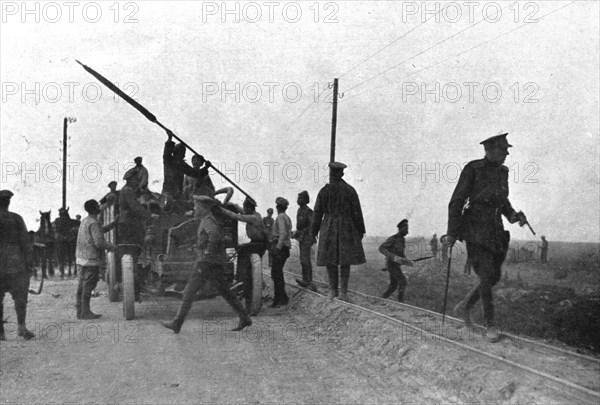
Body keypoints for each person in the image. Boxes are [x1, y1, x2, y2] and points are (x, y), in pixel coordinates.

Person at [446, 133, 528, 342]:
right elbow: (457, 201)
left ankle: (465, 305)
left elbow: (502, 201)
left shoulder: (503, 172)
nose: (507, 154)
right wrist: (452, 233)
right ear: (489, 151)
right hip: (474, 229)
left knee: (493, 277)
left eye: (507, 151)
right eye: (503, 151)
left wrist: (513, 216)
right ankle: (489, 324)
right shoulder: (473, 168)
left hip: (496, 231)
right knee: (486, 274)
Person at [162, 195, 252, 333]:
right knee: (225, 292)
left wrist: (208, 252)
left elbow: (214, 235)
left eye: (196, 206)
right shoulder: (207, 220)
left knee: (189, 292)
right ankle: (244, 317)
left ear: (204, 208)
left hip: (205, 263)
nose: (194, 208)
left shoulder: (208, 221)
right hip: (212, 263)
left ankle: (177, 323)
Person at [310, 162, 366, 302]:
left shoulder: (325, 191)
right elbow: (357, 213)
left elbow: (317, 213)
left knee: (331, 260)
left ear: (333, 173)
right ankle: (343, 292)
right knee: (344, 260)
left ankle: (332, 290)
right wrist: (360, 231)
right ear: (342, 173)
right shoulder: (349, 190)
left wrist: (313, 232)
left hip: (329, 226)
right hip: (347, 227)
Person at [0, 190, 35, 340]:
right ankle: (21, 327)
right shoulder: (16, 219)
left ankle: (1, 333)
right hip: (16, 265)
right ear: (8, 202)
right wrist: (29, 264)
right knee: (20, 298)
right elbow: (26, 243)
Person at [75, 199, 117, 319]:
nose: (99, 207)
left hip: (81, 258)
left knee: (81, 286)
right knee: (88, 286)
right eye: (97, 206)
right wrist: (112, 247)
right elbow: (99, 242)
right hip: (91, 259)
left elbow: (98, 231)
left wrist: (112, 224)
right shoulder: (94, 222)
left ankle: (80, 311)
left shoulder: (85, 221)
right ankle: (86, 312)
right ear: (94, 208)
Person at [118, 169, 151, 302]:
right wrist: (149, 215)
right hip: (129, 224)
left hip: (127, 222)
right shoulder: (127, 190)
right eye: (136, 179)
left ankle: (135, 287)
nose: (138, 181)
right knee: (133, 255)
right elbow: (134, 207)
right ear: (131, 180)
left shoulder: (126, 190)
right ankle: (134, 289)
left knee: (133, 256)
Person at [219, 197, 268, 285]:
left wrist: (221, 209)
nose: (244, 209)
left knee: (242, 250)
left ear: (249, 208)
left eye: (245, 207)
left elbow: (236, 216)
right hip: (258, 242)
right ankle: (243, 277)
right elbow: (243, 212)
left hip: (259, 243)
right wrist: (234, 206)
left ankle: (241, 278)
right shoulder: (256, 214)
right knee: (242, 249)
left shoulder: (253, 218)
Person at [379, 220, 414, 302]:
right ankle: (400, 302)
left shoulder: (402, 240)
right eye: (406, 229)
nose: (407, 232)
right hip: (391, 264)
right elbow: (381, 248)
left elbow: (401, 253)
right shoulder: (393, 238)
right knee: (403, 281)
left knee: (393, 285)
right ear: (400, 229)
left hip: (396, 265)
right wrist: (391, 256)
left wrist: (406, 261)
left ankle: (381, 299)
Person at [293, 191, 317, 291]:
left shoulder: (309, 211)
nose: (298, 201)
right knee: (303, 259)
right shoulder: (299, 210)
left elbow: (311, 226)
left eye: (300, 198)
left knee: (305, 259)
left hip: (307, 237)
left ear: (305, 200)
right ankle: (305, 280)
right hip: (302, 237)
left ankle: (308, 281)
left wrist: (299, 232)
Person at [271, 197, 292, 307]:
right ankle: (280, 298)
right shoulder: (287, 217)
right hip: (285, 248)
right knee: (277, 273)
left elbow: (283, 234)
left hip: (280, 247)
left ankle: (281, 299)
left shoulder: (280, 217)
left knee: (276, 274)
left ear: (277, 207)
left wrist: (277, 248)